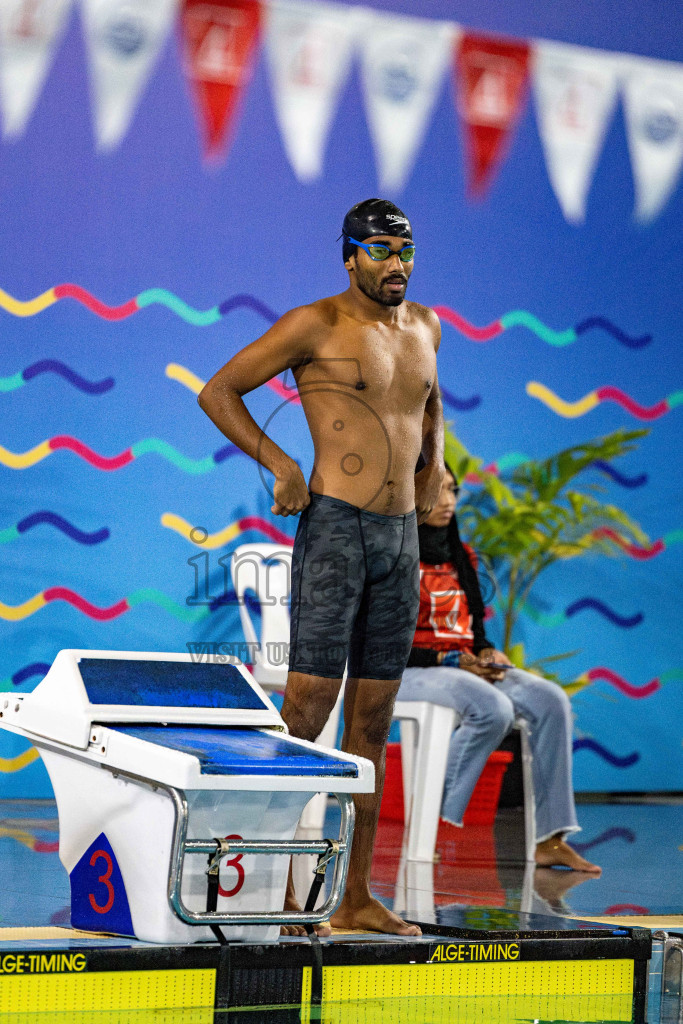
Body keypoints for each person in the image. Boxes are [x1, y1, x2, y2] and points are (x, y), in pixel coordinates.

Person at [198, 199, 444, 935]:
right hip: (336, 529)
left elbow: (428, 406)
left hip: (400, 539)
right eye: (379, 250)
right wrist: (278, 462)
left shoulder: (427, 326)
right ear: (348, 255)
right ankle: (260, 888)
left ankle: (353, 899)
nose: (395, 263)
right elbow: (219, 390)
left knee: (370, 721)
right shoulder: (316, 324)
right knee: (305, 711)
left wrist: (437, 469)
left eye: (404, 249)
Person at [396, 463, 601, 873]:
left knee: (549, 699)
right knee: (493, 706)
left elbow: (476, 632)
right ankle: (430, 821)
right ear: (410, 494)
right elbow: (383, 643)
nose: (449, 502)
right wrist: (452, 661)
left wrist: (486, 654)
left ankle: (549, 838)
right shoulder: (393, 555)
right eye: (437, 492)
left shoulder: (461, 555)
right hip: (409, 670)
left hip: (463, 667)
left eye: (453, 491)